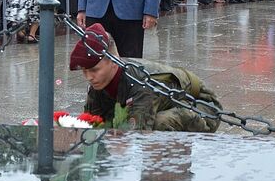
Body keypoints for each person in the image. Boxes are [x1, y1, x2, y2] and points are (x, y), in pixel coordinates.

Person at [70, 23, 221, 132]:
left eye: (95, 70)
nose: (89, 77)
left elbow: (137, 136)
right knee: (109, 125)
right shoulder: (98, 83)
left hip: (202, 107)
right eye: (85, 71)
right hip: (167, 104)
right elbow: (91, 125)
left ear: (115, 61)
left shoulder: (142, 84)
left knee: (158, 125)